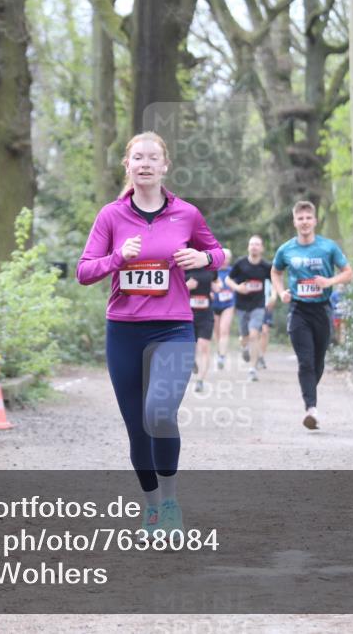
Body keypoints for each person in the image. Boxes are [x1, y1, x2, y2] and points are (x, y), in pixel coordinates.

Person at [77, 131, 224, 535]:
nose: (144, 163)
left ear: (164, 166)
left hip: (174, 328)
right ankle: (152, 507)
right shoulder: (111, 216)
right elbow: (83, 271)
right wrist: (115, 258)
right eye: (137, 157)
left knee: (159, 412)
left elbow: (220, 254)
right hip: (124, 331)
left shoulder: (187, 214)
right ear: (128, 165)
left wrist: (202, 256)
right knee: (136, 427)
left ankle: (172, 503)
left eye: (152, 157)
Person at [271, 201, 353, 430]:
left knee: (317, 362)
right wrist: (280, 292)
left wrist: (330, 282)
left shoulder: (328, 247)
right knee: (305, 361)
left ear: (315, 221)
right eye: (300, 218)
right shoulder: (286, 249)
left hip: (322, 309)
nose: (304, 222)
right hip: (298, 310)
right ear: (294, 222)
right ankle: (311, 409)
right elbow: (275, 272)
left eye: (308, 218)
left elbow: (348, 273)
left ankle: (309, 396)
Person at [226, 235, 272, 382]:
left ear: (262, 248)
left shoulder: (266, 266)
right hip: (242, 305)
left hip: (258, 305)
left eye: (257, 244)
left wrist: (275, 296)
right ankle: (244, 348)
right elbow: (228, 279)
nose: (254, 247)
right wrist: (237, 288)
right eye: (252, 244)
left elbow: (275, 279)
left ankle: (252, 369)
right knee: (244, 337)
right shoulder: (240, 263)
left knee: (254, 334)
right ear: (248, 247)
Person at [186, 266, 216, 392]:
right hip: (187, 314)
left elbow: (215, 281)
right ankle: (191, 360)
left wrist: (215, 288)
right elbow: (172, 290)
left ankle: (200, 380)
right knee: (189, 347)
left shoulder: (211, 266)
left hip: (206, 314)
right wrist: (186, 286)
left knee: (204, 346)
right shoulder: (183, 267)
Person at [210, 248, 235, 370]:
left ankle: (222, 356)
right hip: (214, 304)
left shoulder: (233, 272)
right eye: (223, 258)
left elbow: (240, 285)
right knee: (217, 332)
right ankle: (219, 351)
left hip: (228, 304)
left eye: (228, 259)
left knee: (224, 330)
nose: (225, 261)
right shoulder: (213, 272)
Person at [257, 277, 278, 369]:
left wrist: (273, 297)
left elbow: (274, 286)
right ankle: (248, 349)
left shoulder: (267, 271)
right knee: (253, 333)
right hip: (253, 306)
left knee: (265, 332)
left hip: (266, 306)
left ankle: (261, 356)